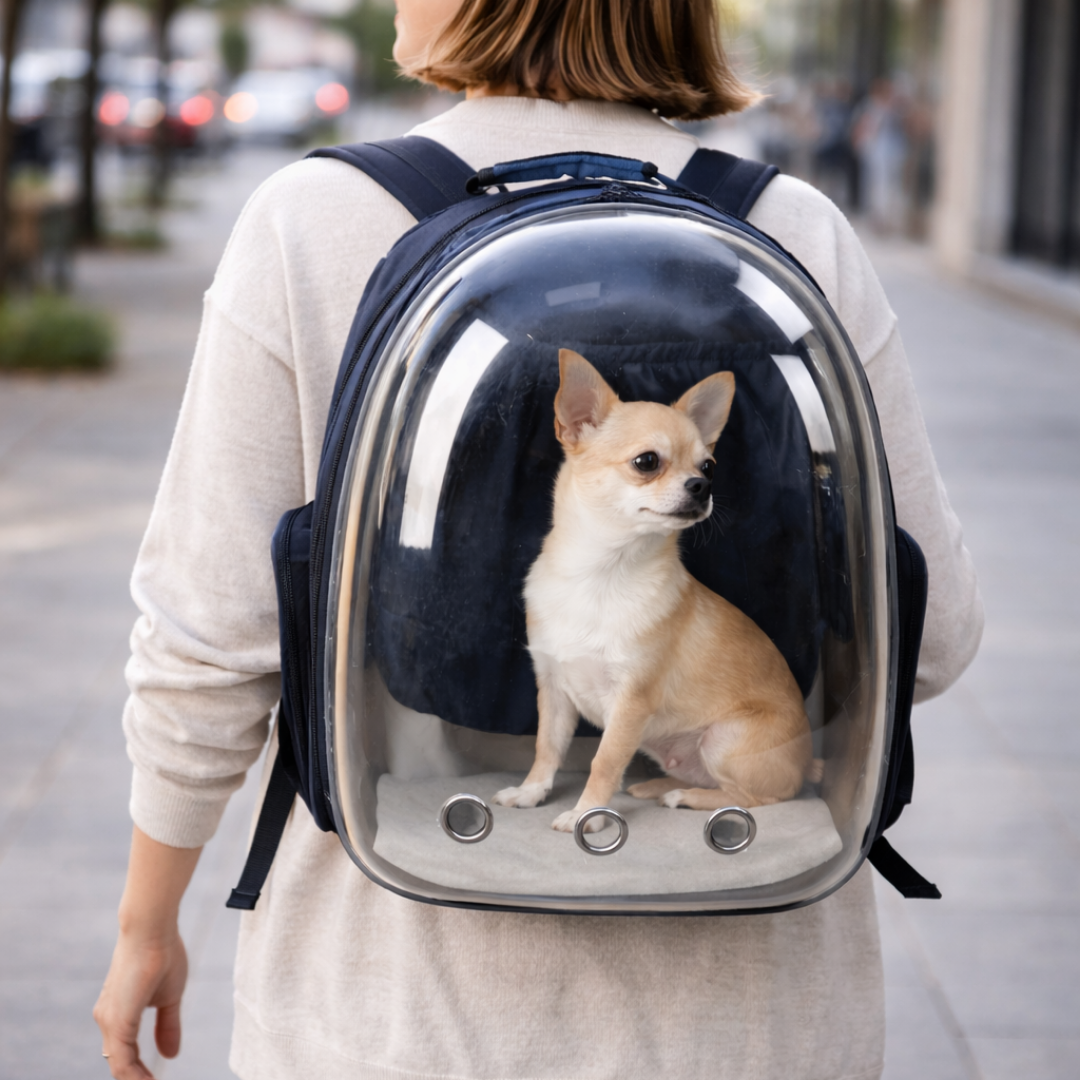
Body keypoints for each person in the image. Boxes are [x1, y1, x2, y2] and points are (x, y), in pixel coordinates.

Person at [94, 2, 984, 1078]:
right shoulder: (796, 228)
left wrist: (147, 923)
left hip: (401, 1006)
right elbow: (930, 642)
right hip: (751, 1017)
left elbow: (208, 643)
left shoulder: (311, 219)